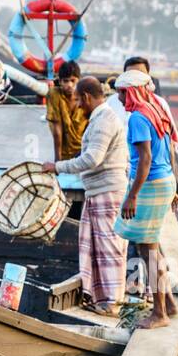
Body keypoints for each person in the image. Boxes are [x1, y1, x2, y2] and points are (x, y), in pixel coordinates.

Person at [42, 76, 129, 315]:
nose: (78, 104)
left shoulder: (105, 120)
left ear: (88, 96)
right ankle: (104, 298)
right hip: (99, 191)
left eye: (79, 99)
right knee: (98, 246)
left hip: (107, 192)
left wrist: (58, 166)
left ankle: (111, 303)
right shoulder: (102, 118)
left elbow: (93, 159)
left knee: (109, 247)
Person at [114, 70, 178, 328]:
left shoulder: (139, 118)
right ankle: (170, 306)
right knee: (151, 248)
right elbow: (170, 149)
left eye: (121, 92)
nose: (118, 98)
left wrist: (132, 196)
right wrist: (172, 187)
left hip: (150, 185)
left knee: (149, 252)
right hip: (163, 181)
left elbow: (146, 160)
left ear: (131, 91)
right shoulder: (156, 109)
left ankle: (159, 314)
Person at [46, 61, 87, 161]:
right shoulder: (54, 94)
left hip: (84, 151)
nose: (69, 85)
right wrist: (58, 162)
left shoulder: (86, 96)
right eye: (66, 81)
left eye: (73, 81)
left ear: (79, 80)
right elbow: (57, 130)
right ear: (60, 82)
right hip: (64, 153)